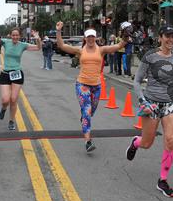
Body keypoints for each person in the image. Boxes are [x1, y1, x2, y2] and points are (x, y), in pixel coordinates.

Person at [126, 26, 173, 197]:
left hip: (171, 103)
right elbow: (137, 81)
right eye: (167, 36)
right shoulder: (150, 56)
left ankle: (162, 180)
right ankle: (136, 143)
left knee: (170, 140)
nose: (171, 39)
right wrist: (143, 101)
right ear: (160, 37)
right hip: (151, 103)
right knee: (147, 143)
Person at [55, 22, 129, 152]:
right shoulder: (80, 50)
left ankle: (85, 117)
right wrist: (58, 31)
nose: (90, 39)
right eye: (88, 37)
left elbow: (119, 46)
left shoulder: (101, 50)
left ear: (95, 38)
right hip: (82, 84)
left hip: (96, 86)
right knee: (87, 111)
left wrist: (126, 36)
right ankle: (88, 141)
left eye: (92, 37)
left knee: (91, 111)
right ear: (85, 38)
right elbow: (61, 45)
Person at [0, 15, 41, 131]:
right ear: (10, 35)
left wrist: (38, 38)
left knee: (14, 99)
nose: (15, 37)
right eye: (13, 35)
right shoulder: (5, 42)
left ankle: (11, 121)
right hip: (5, 74)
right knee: (5, 100)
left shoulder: (23, 45)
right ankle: (3, 109)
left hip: (17, 74)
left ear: (20, 36)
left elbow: (38, 48)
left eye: (17, 35)